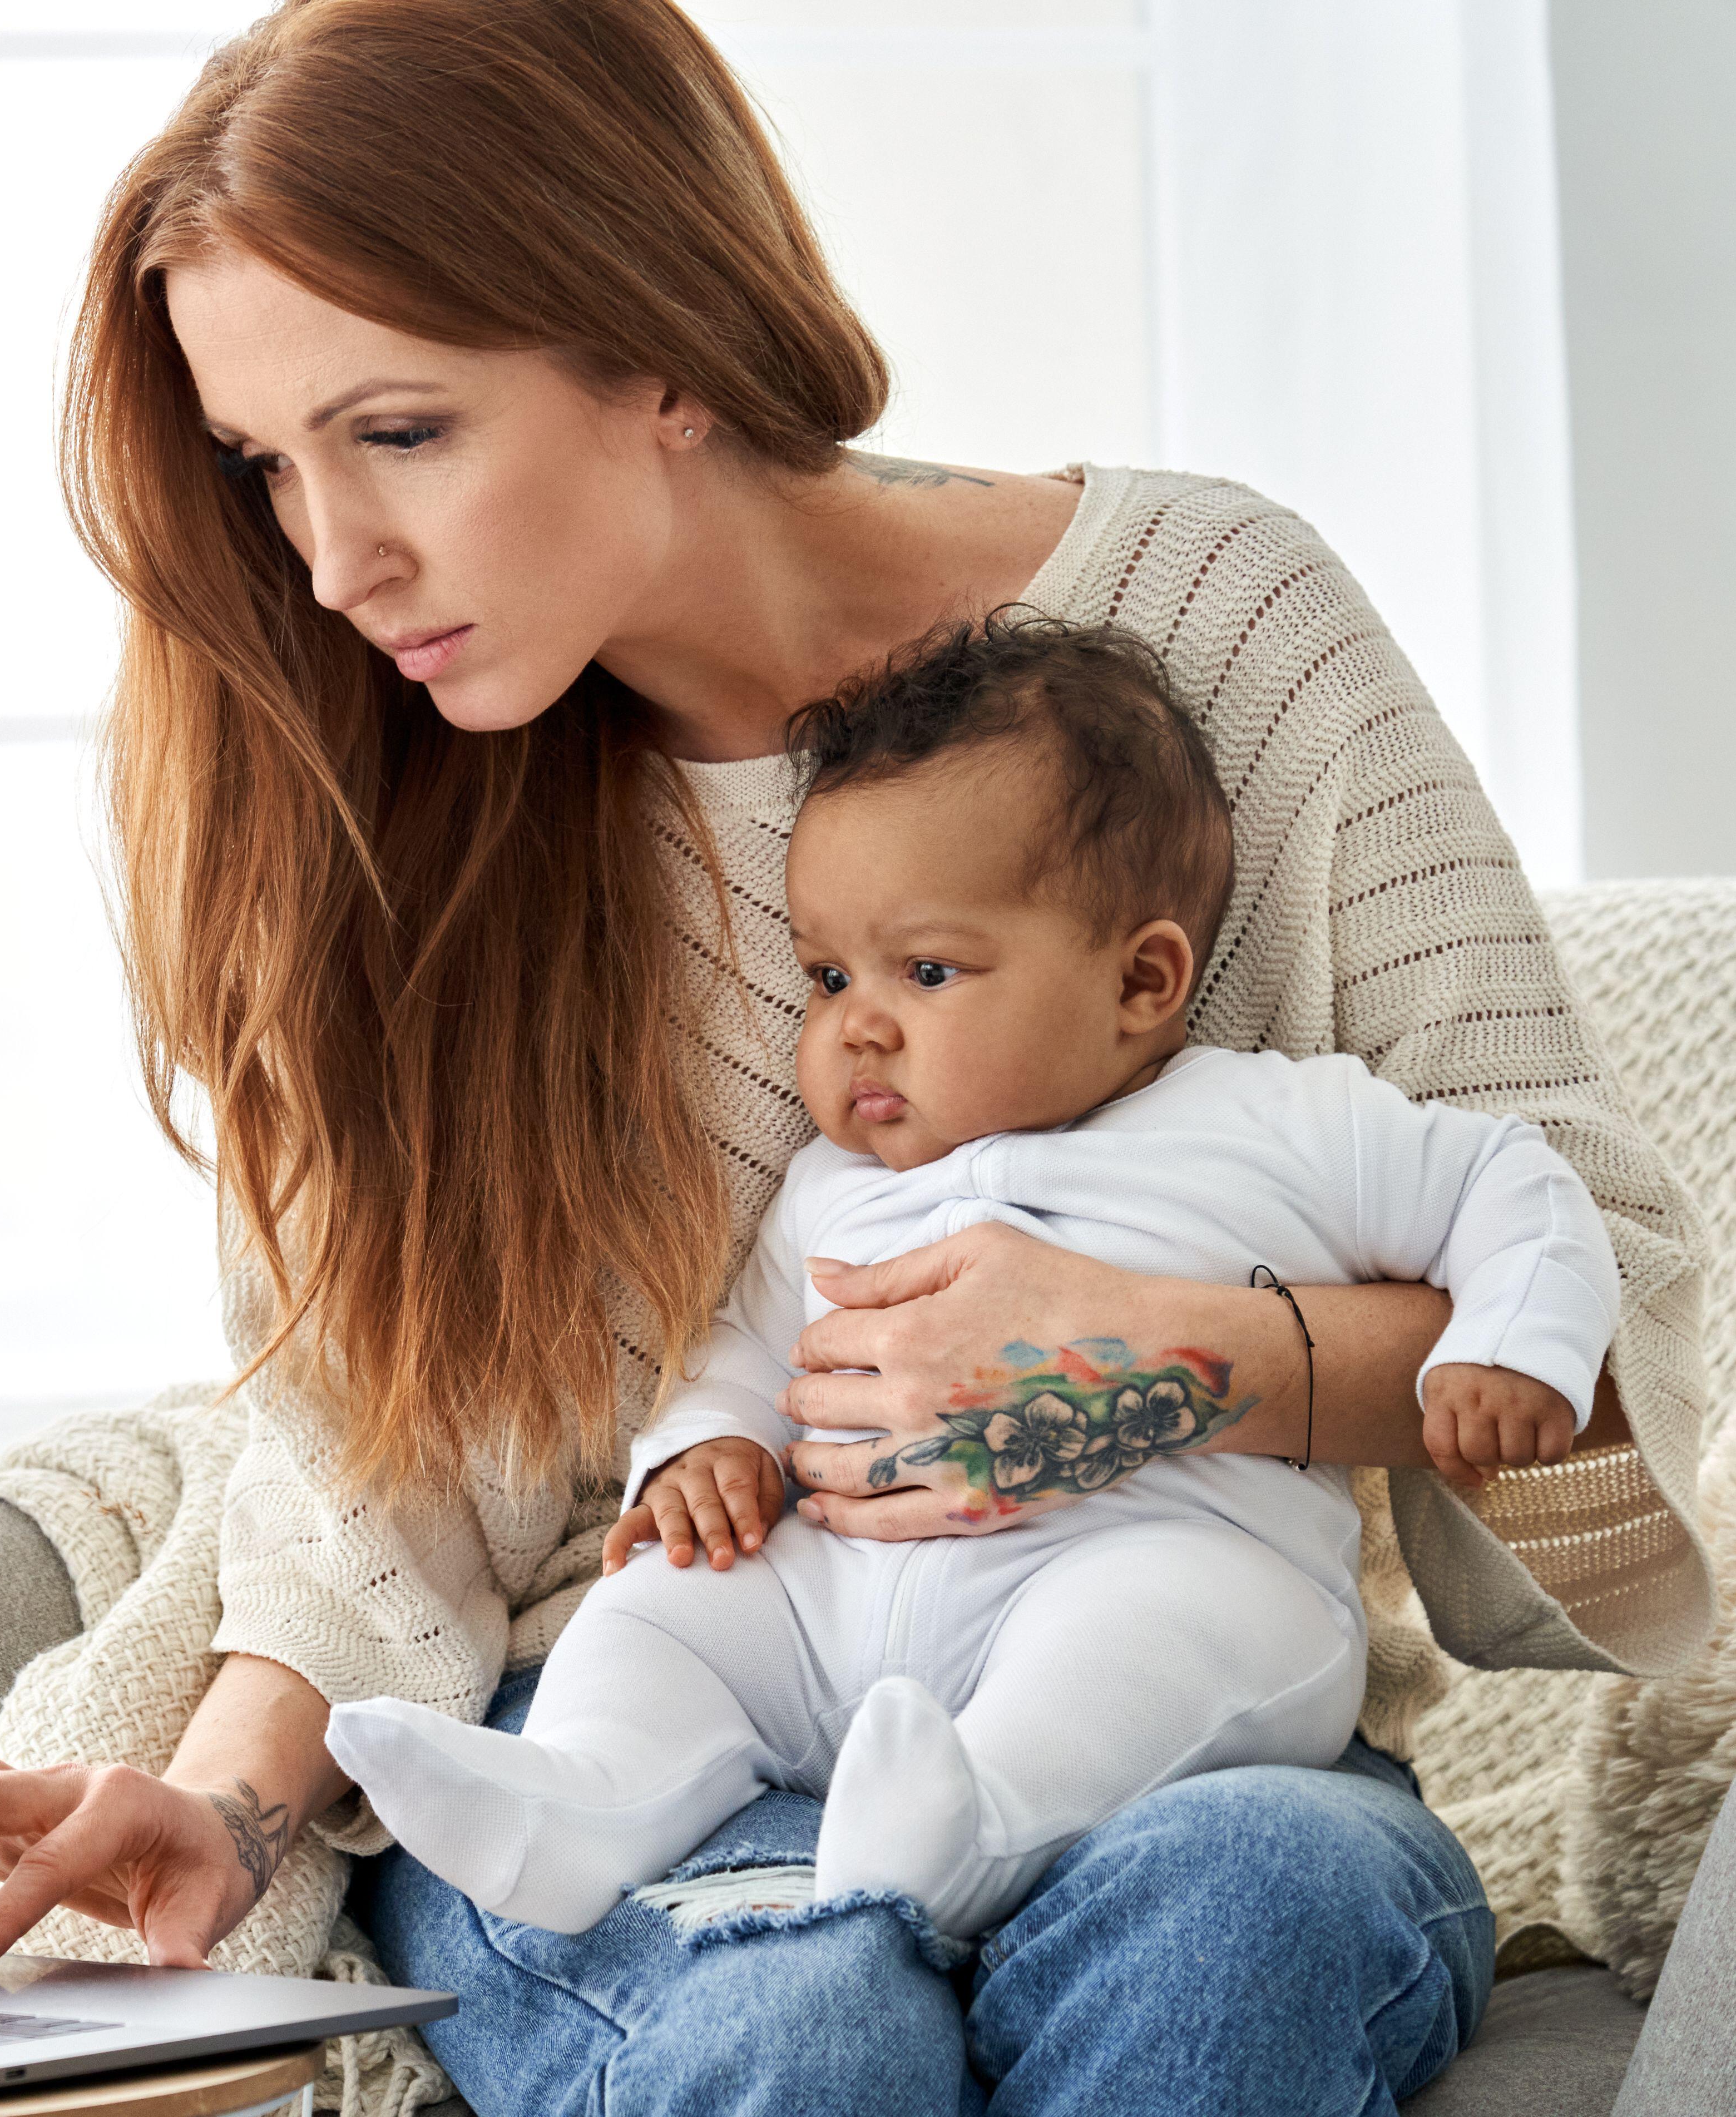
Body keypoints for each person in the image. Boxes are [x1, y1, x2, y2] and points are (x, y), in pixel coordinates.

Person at [0, 1, 1712, 2107]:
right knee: (788, 2014)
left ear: (654, 344)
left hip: (1179, 1710)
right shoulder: (381, 813)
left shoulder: (1219, 626)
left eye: (396, 433)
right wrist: (229, 1804)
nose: (328, 561)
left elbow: (1603, 1294)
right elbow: (372, 1463)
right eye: (263, 465)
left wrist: (1178, 1349)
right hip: (648, 1730)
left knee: (1240, 1924)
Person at [325, 614, 1616, 1943]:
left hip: (1138, 1562)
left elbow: (1512, 1184)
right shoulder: (836, 1186)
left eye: (926, 970)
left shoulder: (1279, 1123)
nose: (854, 1023)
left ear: (1142, 979)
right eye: (828, 973)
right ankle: (585, 1799)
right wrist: (706, 1449)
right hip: (832, 1602)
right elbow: (749, 1342)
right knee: (666, 1602)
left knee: (1157, 1628)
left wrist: (1514, 1344)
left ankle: (979, 1820)